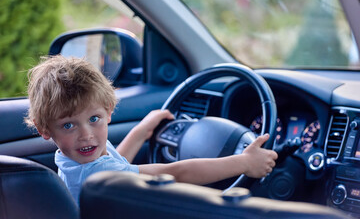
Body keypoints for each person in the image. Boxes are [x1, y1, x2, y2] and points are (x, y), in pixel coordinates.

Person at [25, 55, 278, 203]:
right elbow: (176, 172)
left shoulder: (76, 156)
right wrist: (245, 163)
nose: (86, 134)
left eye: (94, 119)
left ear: (108, 110)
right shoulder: (95, 167)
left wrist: (141, 131)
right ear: (45, 130)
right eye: (68, 125)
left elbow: (118, 165)